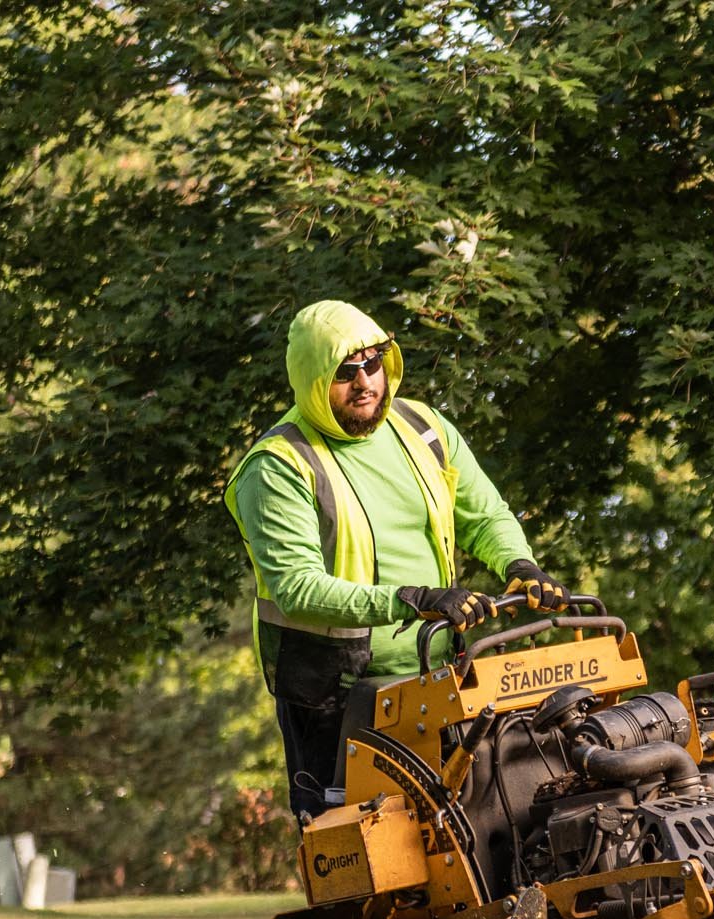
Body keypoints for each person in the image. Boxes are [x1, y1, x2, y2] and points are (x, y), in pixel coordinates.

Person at [226, 299, 570, 820]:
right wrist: (416, 600)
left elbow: (484, 515)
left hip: (439, 675)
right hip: (335, 697)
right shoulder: (277, 466)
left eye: (373, 363)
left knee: (477, 830)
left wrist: (518, 565)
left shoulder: (423, 428)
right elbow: (297, 587)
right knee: (360, 855)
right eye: (346, 371)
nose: (365, 381)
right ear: (313, 379)